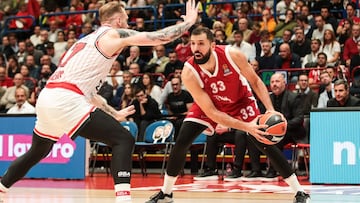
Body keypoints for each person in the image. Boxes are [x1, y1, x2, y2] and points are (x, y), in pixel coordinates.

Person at [0, 1, 199, 202]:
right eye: (127, 21)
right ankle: (123, 200)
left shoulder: (85, 40)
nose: (128, 24)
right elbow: (159, 38)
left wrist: (114, 113)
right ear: (119, 20)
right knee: (123, 139)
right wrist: (189, 23)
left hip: (50, 96)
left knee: (37, 151)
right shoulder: (112, 35)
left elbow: (88, 91)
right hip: (66, 99)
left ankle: (2, 187)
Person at [146, 27, 310, 203]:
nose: (196, 48)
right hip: (211, 104)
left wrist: (269, 109)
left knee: (264, 141)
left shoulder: (232, 54)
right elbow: (211, 112)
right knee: (182, 140)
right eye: (193, 44)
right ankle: (166, 193)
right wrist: (246, 127)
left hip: (241, 101)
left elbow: (255, 81)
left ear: (213, 44)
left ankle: (299, 192)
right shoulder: (188, 71)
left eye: (201, 43)